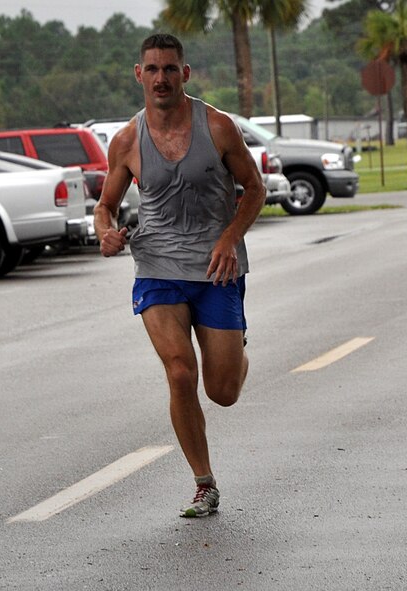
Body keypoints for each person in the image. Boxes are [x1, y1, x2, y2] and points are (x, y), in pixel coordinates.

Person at [94, 33, 266, 518]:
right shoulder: (127, 140)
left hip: (217, 266)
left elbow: (254, 190)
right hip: (157, 266)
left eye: (170, 68)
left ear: (185, 73)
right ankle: (203, 483)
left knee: (223, 391)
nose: (161, 78)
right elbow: (105, 207)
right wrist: (105, 233)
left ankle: (237, 348)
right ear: (139, 75)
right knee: (178, 371)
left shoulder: (218, 126)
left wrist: (230, 237)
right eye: (152, 69)